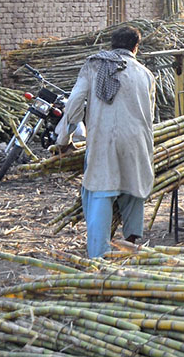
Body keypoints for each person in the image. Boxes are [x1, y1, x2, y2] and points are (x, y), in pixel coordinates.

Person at [57, 26, 155, 258]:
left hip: (104, 141)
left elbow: (74, 104)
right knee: (134, 193)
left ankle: (98, 257)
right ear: (135, 48)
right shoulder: (146, 74)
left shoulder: (94, 66)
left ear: (112, 45)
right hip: (138, 142)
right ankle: (131, 248)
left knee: (100, 194)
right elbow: (150, 116)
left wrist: (64, 139)